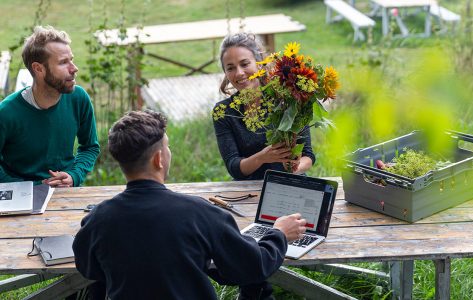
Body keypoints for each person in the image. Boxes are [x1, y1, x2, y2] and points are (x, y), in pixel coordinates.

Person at [73, 110, 307, 299]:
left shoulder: (98, 219)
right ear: (159, 159)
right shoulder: (202, 214)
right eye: (168, 146)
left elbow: (88, 268)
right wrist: (279, 233)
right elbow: (254, 266)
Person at [0, 25, 99, 187]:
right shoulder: (6, 113)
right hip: (20, 199)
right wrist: (28, 189)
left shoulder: (79, 98)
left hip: (67, 193)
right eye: (63, 63)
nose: (74, 69)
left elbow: (90, 147)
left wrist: (74, 175)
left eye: (71, 60)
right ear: (38, 69)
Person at [212, 32, 316, 181]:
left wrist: (293, 168)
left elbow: (308, 154)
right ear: (225, 73)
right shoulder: (224, 112)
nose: (239, 73)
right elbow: (233, 167)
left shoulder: (287, 100)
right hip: (247, 192)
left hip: (290, 183)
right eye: (230, 68)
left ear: (259, 62)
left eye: (245, 64)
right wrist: (263, 157)